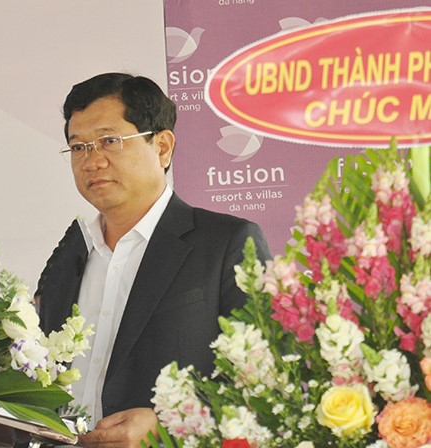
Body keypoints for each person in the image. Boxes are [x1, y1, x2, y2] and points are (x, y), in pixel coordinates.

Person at [36, 72, 271, 447]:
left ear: (161, 147)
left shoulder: (227, 243)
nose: (91, 162)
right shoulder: (67, 257)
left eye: (109, 141)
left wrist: (168, 425)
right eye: (78, 147)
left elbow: (267, 383)